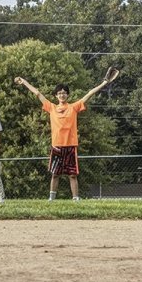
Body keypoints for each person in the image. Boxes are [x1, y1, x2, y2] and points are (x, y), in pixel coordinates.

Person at [14, 68, 119, 201]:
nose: (62, 95)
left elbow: (89, 94)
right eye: (59, 93)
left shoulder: (74, 107)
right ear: (56, 96)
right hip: (57, 146)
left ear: (67, 95)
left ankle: (75, 198)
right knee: (55, 174)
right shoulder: (51, 107)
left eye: (64, 93)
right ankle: (51, 199)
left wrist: (104, 84)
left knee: (73, 175)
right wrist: (24, 82)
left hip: (70, 146)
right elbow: (37, 93)